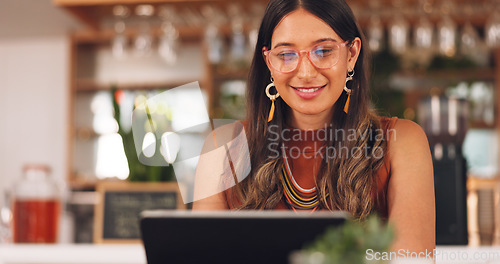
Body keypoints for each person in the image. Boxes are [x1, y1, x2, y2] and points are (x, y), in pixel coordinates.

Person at [193, 0, 435, 256]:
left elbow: (411, 259)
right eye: (286, 55)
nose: (306, 72)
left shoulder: (402, 142)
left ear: (351, 54)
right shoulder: (223, 148)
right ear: (269, 63)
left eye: (323, 51)